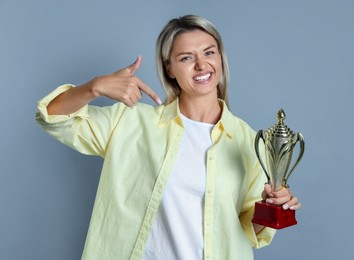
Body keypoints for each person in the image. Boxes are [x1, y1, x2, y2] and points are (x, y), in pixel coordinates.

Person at [36, 15, 301, 260]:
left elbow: (247, 228)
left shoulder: (247, 140)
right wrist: (94, 87)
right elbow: (53, 116)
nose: (201, 64)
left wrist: (273, 206)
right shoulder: (131, 122)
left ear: (220, 58)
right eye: (186, 57)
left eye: (209, 52)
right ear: (170, 68)